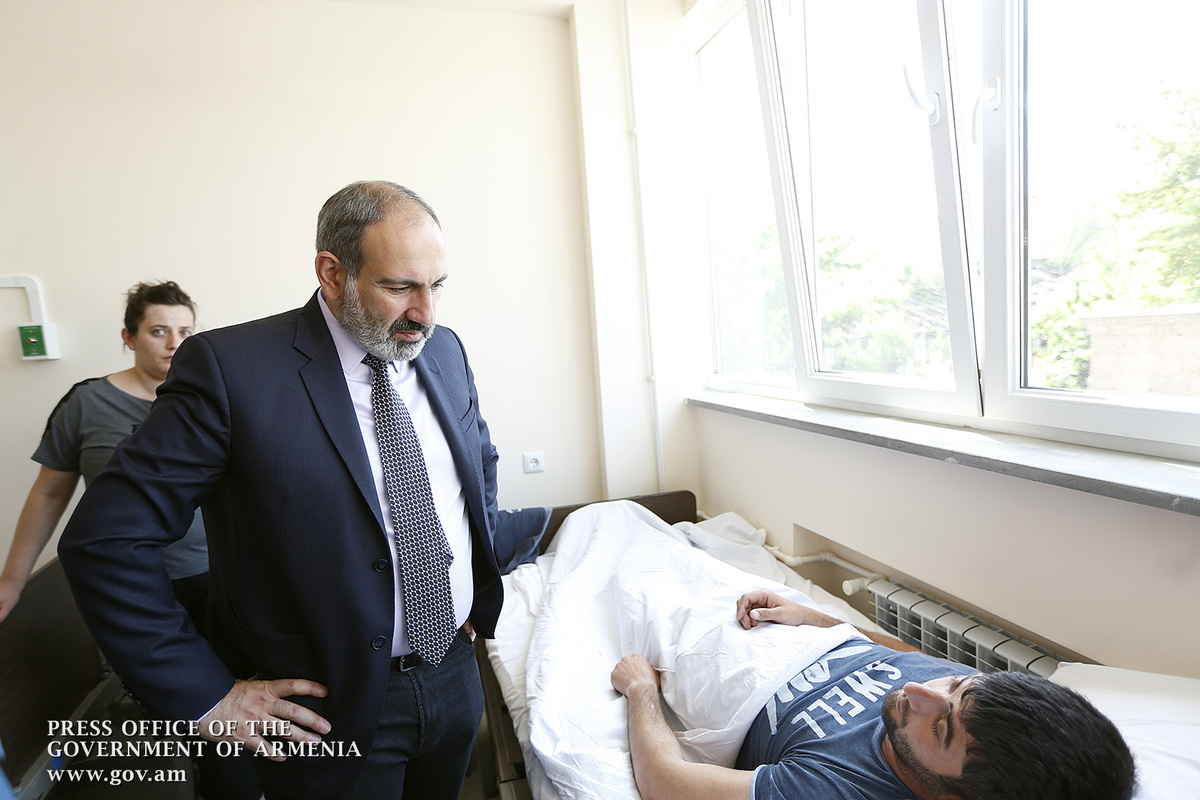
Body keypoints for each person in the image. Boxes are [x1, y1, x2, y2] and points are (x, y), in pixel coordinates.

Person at [58, 180, 503, 800]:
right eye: (400, 287)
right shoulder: (232, 370)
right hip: (325, 708)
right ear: (332, 272)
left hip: (452, 673)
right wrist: (207, 697)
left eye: (437, 286)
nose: (425, 312)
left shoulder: (445, 351)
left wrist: (472, 587)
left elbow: (477, 468)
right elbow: (105, 540)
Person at [611, 588, 1136, 800]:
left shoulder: (843, 791)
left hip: (725, 663)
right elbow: (907, 653)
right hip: (795, 630)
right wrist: (815, 618)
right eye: (956, 685)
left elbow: (666, 782)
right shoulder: (986, 704)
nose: (917, 691)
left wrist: (640, 691)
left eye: (939, 728)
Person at [0, 281, 208, 626]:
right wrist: (11, 581)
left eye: (185, 331)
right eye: (158, 331)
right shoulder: (86, 403)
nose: (174, 343)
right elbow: (49, 494)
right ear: (129, 338)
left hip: (211, 573)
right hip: (121, 579)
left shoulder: (210, 401)